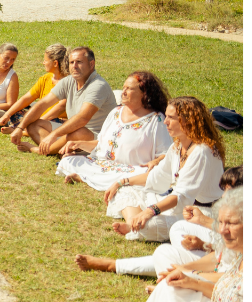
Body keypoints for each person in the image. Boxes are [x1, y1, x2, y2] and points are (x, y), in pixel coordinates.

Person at [76, 164, 241, 277]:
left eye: (229, 190)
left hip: (224, 274)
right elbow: (226, 249)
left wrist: (190, 268)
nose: (224, 195)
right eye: (224, 190)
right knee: (177, 230)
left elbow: (229, 255)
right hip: (217, 257)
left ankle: (113, 265)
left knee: (165, 253)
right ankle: (181, 267)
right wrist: (203, 243)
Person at [102, 95, 227, 241]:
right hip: (176, 203)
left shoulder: (202, 151)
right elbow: (157, 176)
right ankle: (133, 223)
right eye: (166, 116)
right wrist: (121, 182)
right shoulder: (177, 146)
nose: (166, 122)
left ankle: (137, 226)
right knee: (124, 191)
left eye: (171, 118)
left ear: (188, 121)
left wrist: (150, 211)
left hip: (199, 212)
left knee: (152, 225)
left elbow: (182, 195)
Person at [56, 71, 172, 188]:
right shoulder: (116, 112)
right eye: (124, 88)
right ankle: (93, 178)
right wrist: (78, 144)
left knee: (148, 173)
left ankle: (86, 177)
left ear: (144, 93)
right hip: (104, 165)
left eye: (129, 89)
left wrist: (155, 162)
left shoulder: (156, 120)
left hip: (133, 170)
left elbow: (167, 154)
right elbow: (101, 145)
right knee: (68, 161)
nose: (123, 92)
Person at [12, 46, 116, 155]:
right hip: (73, 132)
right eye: (71, 62)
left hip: (97, 137)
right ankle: (58, 149)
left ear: (91, 64)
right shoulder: (69, 81)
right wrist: (20, 127)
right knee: (33, 124)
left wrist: (54, 134)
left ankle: (41, 150)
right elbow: (42, 104)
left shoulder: (98, 86)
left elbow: (82, 118)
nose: (74, 66)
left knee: (78, 133)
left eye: (79, 62)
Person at [0, 44, 69, 132]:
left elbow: (59, 108)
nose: (43, 63)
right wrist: (7, 114)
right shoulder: (45, 78)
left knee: (56, 124)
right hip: (40, 118)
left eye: (45, 60)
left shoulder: (69, 82)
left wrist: (37, 122)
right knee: (15, 113)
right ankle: (25, 129)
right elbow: (26, 99)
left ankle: (22, 130)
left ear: (55, 63)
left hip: (57, 119)